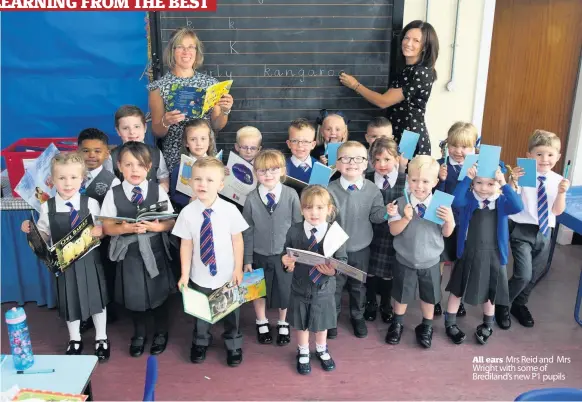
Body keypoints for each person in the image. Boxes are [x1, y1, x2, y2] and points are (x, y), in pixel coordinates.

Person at [21, 153, 110, 361]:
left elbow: (102, 229)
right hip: (64, 264)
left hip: (89, 261)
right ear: (52, 181)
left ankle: (102, 338)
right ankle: (74, 339)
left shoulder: (91, 204)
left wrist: (101, 231)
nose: (67, 183)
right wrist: (31, 230)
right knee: (70, 302)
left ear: (82, 179)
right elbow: (43, 234)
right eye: (62, 178)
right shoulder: (47, 207)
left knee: (97, 301)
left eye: (73, 177)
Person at [101, 142, 176, 358]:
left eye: (140, 165)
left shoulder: (157, 191)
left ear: (149, 167)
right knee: (134, 295)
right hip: (130, 254)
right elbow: (106, 226)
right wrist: (123, 228)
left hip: (154, 250)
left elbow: (170, 221)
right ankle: (139, 334)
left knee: (159, 293)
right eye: (129, 165)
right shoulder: (113, 194)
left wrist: (156, 226)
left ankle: (161, 332)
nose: (135, 170)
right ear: (119, 166)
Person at [174, 157, 249, 367]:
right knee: (201, 312)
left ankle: (233, 343)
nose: (202, 184)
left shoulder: (230, 210)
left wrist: (238, 268)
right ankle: (200, 341)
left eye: (209, 180)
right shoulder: (187, 213)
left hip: (227, 273)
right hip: (200, 274)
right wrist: (184, 274)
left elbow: (238, 240)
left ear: (221, 184)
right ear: (190, 182)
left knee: (231, 312)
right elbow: (186, 245)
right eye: (197, 179)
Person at [496, 130, 569, 329]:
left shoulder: (558, 180)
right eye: (539, 154)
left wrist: (562, 193)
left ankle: (520, 304)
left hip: (545, 231)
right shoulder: (524, 175)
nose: (545, 159)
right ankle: (502, 304)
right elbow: (511, 202)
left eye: (550, 155)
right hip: (522, 230)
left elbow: (556, 211)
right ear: (529, 155)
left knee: (535, 272)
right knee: (523, 274)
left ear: (558, 157)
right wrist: (513, 182)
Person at [445, 165, 523, 345]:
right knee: (457, 290)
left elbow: (518, 206)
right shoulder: (469, 200)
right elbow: (455, 201)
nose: (484, 188)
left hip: (493, 256)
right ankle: (450, 323)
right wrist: (466, 178)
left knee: (490, 292)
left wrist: (504, 184)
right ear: (473, 183)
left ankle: (488, 324)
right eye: (479, 182)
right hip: (468, 253)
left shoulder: (502, 202)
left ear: (497, 184)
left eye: (490, 184)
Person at [339, 20, 439, 156]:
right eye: (406, 38)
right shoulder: (407, 69)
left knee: (405, 174)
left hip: (409, 137)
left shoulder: (420, 72)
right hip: (398, 133)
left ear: (425, 47)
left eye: (416, 40)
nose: (408, 43)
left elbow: (383, 101)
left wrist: (355, 85)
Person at [385, 155, 455, 348]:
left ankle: (426, 325)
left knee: (429, 295)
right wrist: (405, 218)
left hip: (431, 260)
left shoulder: (441, 204)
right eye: (414, 180)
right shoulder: (400, 203)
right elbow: (393, 230)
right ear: (408, 179)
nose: (419, 186)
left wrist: (449, 220)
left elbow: (447, 233)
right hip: (405, 258)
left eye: (425, 181)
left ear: (435, 181)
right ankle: (397, 322)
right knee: (401, 294)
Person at [148, 27, 234, 172]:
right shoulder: (158, 88)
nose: (186, 52)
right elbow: (157, 131)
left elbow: (217, 125)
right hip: (176, 159)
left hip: (205, 157)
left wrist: (225, 111)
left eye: (191, 47)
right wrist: (166, 121)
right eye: (180, 47)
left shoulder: (211, 84)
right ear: (172, 51)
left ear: (196, 52)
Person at [327, 141, 389, 339]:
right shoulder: (329, 190)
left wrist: (387, 213)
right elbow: (324, 220)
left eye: (358, 159)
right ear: (337, 163)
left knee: (358, 286)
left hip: (362, 248)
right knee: (335, 286)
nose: (351, 163)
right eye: (345, 158)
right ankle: (332, 318)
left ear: (366, 164)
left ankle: (357, 316)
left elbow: (376, 217)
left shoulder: (372, 190)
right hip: (336, 249)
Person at [282, 185, 346, 375]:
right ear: (302, 210)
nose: (314, 212)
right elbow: (286, 253)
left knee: (321, 322)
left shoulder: (336, 233)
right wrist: (286, 263)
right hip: (300, 286)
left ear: (329, 210)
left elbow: (343, 261)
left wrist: (333, 271)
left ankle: (321, 348)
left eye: (319, 208)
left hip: (324, 288)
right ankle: (302, 351)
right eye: (309, 208)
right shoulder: (294, 231)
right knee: (301, 322)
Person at [242, 150, 302, 346]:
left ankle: (283, 322)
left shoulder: (291, 194)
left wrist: (294, 256)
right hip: (258, 254)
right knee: (257, 290)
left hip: (283, 255)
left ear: (283, 171)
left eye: (273, 169)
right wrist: (247, 259)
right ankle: (261, 321)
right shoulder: (251, 198)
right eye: (262, 171)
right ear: (255, 173)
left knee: (284, 290)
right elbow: (247, 230)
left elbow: (297, 227)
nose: (268, 175)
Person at [77, 128, 121, 333]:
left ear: (106, 153)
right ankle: (85, 313)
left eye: (97, 151)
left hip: (102, 240)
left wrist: (103, 230)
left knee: (103, 275)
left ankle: (107, 310)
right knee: (81, 277)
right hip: (75, 239)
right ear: (78, 152)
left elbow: (115, 214)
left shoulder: (112, 181)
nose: (91, 155)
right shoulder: (71, 176)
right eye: (86, 151)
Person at [434, 122, 479, 317]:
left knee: (460, 262)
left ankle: (456, 298)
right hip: (443, 221)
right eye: (454, 145)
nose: (459, 151)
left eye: (465, 147)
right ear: (447, 145)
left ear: (474, 148)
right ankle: (434, 298)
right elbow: (433, 197)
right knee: (441, 261)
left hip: (466, 224)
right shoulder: (438, 165)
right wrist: (440, 180)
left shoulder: (477, 169)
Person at [363, 137, 407, 324]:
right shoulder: (366, 180)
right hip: (371, 230)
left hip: (394, 232)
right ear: (371, 162)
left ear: (396, 159)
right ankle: (371, 301)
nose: (382, 164)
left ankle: (386, 304)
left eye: (387, 159)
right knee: (371, 270)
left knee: (389, 271)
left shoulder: (405, 181)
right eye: (377, 160)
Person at [109, 105, 170, 193]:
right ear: (118, 131)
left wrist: (160, 191)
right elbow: (109, 184)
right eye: (125, 128)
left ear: (145, 128)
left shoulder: (156, 153)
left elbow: (163, 178)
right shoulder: (112, 156)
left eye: (136, 127)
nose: (132, 132)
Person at [169, 119, 216, 212]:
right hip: (190, 212)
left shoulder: (217, 166)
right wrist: (188, 201)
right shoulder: (179, 169)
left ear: (209, 141)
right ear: (186, 143)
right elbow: (174, 195)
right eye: (193, 139)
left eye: (203, 139)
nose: (198, 143)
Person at [286, 118, 318, 183]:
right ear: (289, 144)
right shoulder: (281, 167)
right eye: (295, 141)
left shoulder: (320, 168)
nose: (300, 145)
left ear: (313, 145)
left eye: (305, 141)